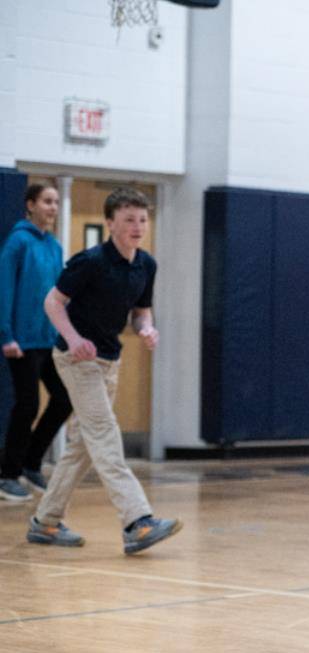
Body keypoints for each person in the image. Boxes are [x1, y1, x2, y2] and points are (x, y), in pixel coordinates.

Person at [27, 187, 182, 552]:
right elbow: (53, 301)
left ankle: (45, 522)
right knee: (106, 436)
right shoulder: (91, 261)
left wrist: (147, 328)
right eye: (128, 219)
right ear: (110, 223)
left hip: (110, 359)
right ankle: (136, 522)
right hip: (75, 360)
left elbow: (141, 311)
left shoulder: (146, 265)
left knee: (83, 445)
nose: (137, 226)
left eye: (142, 219)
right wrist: (73, 337)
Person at [0, 183, 72, 502]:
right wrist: (6, 335)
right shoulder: (17, 242)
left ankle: (31, 462)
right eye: (47, 201)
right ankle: (8, 474)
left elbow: (61, 296)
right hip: (22, 340)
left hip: (49, 339)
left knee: (64, 398)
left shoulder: (55, 247)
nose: (53, 207)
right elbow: (4, 289)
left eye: (56, 202)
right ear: (30, 205)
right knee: (28, 404)